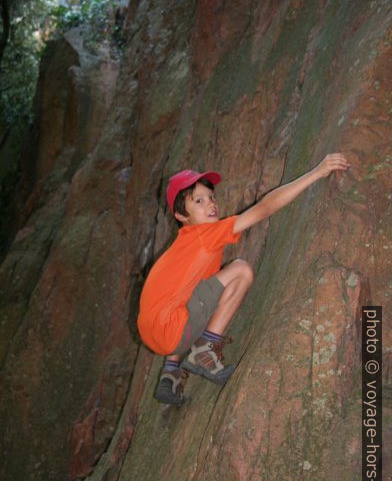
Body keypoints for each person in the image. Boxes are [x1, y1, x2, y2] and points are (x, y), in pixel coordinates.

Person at [137, 153, 351, 406]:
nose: (211, 205)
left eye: (211, 198)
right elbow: (265, 208)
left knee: (188, 295)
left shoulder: (182, 245)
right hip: (171, 330)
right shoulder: (206, 234)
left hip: (153, 333)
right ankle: (204, 352)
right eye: (199, 201)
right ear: (182, 216)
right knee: (240, 270)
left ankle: (171, 372)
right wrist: (317, 172)